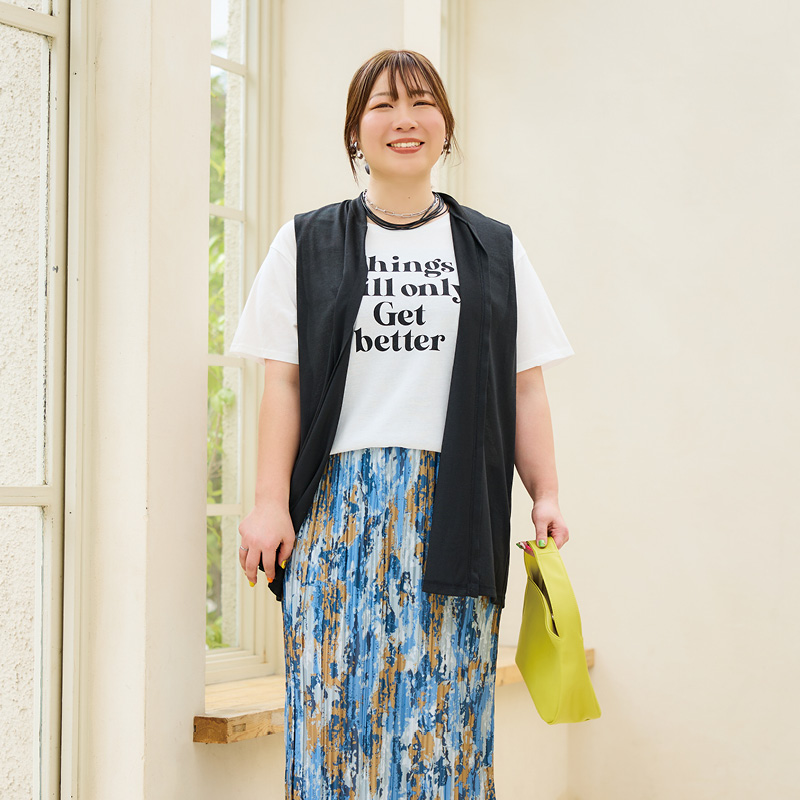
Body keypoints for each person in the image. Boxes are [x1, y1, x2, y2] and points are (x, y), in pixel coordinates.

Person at [229, 49, 574, 800]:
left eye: (421, 103)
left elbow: (525, 386)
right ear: (356, 131)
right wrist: (268, 503)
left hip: (456, 509)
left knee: (443, 726)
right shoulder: (306, 242)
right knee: (332, 720)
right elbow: (283, 382)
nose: (404, 120)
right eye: (382, 105)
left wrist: (545, 491)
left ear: (446, 125)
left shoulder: (493, 247)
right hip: (335, 509)